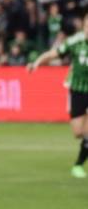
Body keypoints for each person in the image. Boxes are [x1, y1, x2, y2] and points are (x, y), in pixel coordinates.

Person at [28, 11, 88, 178]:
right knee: (78, 132)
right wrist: (37, 62)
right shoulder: (75, 42)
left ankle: (78, 165)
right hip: (77, 90)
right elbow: (53, 54)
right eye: (87, 24)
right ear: (83, 26)